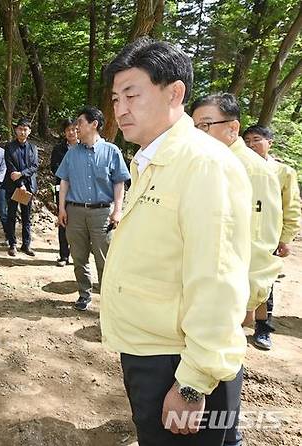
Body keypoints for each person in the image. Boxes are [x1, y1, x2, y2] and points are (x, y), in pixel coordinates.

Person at [101, 38, 252, 445]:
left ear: (175, 93)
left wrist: (192, 383)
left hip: (180, 362)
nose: (120, 108)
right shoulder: (152, 160)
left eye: (132, 94)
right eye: (115, 98)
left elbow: (218, 281)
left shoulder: (204, 164)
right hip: (150, 352)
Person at [191, 93, 283, 446]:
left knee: (224, 360)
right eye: (194, 125)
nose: (199, 132)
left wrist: (249, 296)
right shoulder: (206, 163)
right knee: (204, 360)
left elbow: (262, 241)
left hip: (231, 289)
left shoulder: (254, 170)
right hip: (206, 284)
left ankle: (229, 436)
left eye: (206, 125)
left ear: (233, 128)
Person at [56, 107, 129, 311]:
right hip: (75, 213)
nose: (76, 126)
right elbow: (64, 182)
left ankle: (108, 300)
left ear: (94, 124)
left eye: (80, 122)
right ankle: (84, 294)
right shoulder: (71, 154)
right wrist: (61, 209)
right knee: (79, 257)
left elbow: (119, 183)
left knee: (104, 258)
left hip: (102, 213)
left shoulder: (111, 151)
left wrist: (117, 210)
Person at [244, 124, 301, 350]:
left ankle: (263, 328)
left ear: (270, 142)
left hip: (268, 236)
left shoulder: (283, 172)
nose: (251, 145)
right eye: (246, 141)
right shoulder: (239, 165)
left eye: (256, 140)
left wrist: (285, 238)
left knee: (264, 284)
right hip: (242, 234)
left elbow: (292, 206)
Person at [4, 118, 38, 257]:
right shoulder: (9, 147)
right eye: (20, 129)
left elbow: (34, 166)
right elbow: (10, 166)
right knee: (11, 216)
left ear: (29, 131)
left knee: (26, 217)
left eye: (25, 129)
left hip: (28, 187)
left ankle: (26, 244)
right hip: (13, 187)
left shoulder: (33, 148)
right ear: (16, 130)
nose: (22, 132)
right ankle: (12, 244)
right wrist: (19, 184)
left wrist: (22, 176)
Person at [50, 118, 78, 267]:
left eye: (74, 129)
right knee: (63, 220)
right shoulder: (59, 149)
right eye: (68, 130)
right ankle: (63, 256)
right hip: (62, 189)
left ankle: (77, 254)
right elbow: (54, 168)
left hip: (80, 191)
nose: (71, 132)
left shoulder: (85, 147)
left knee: (79, 222)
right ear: (64, 132)